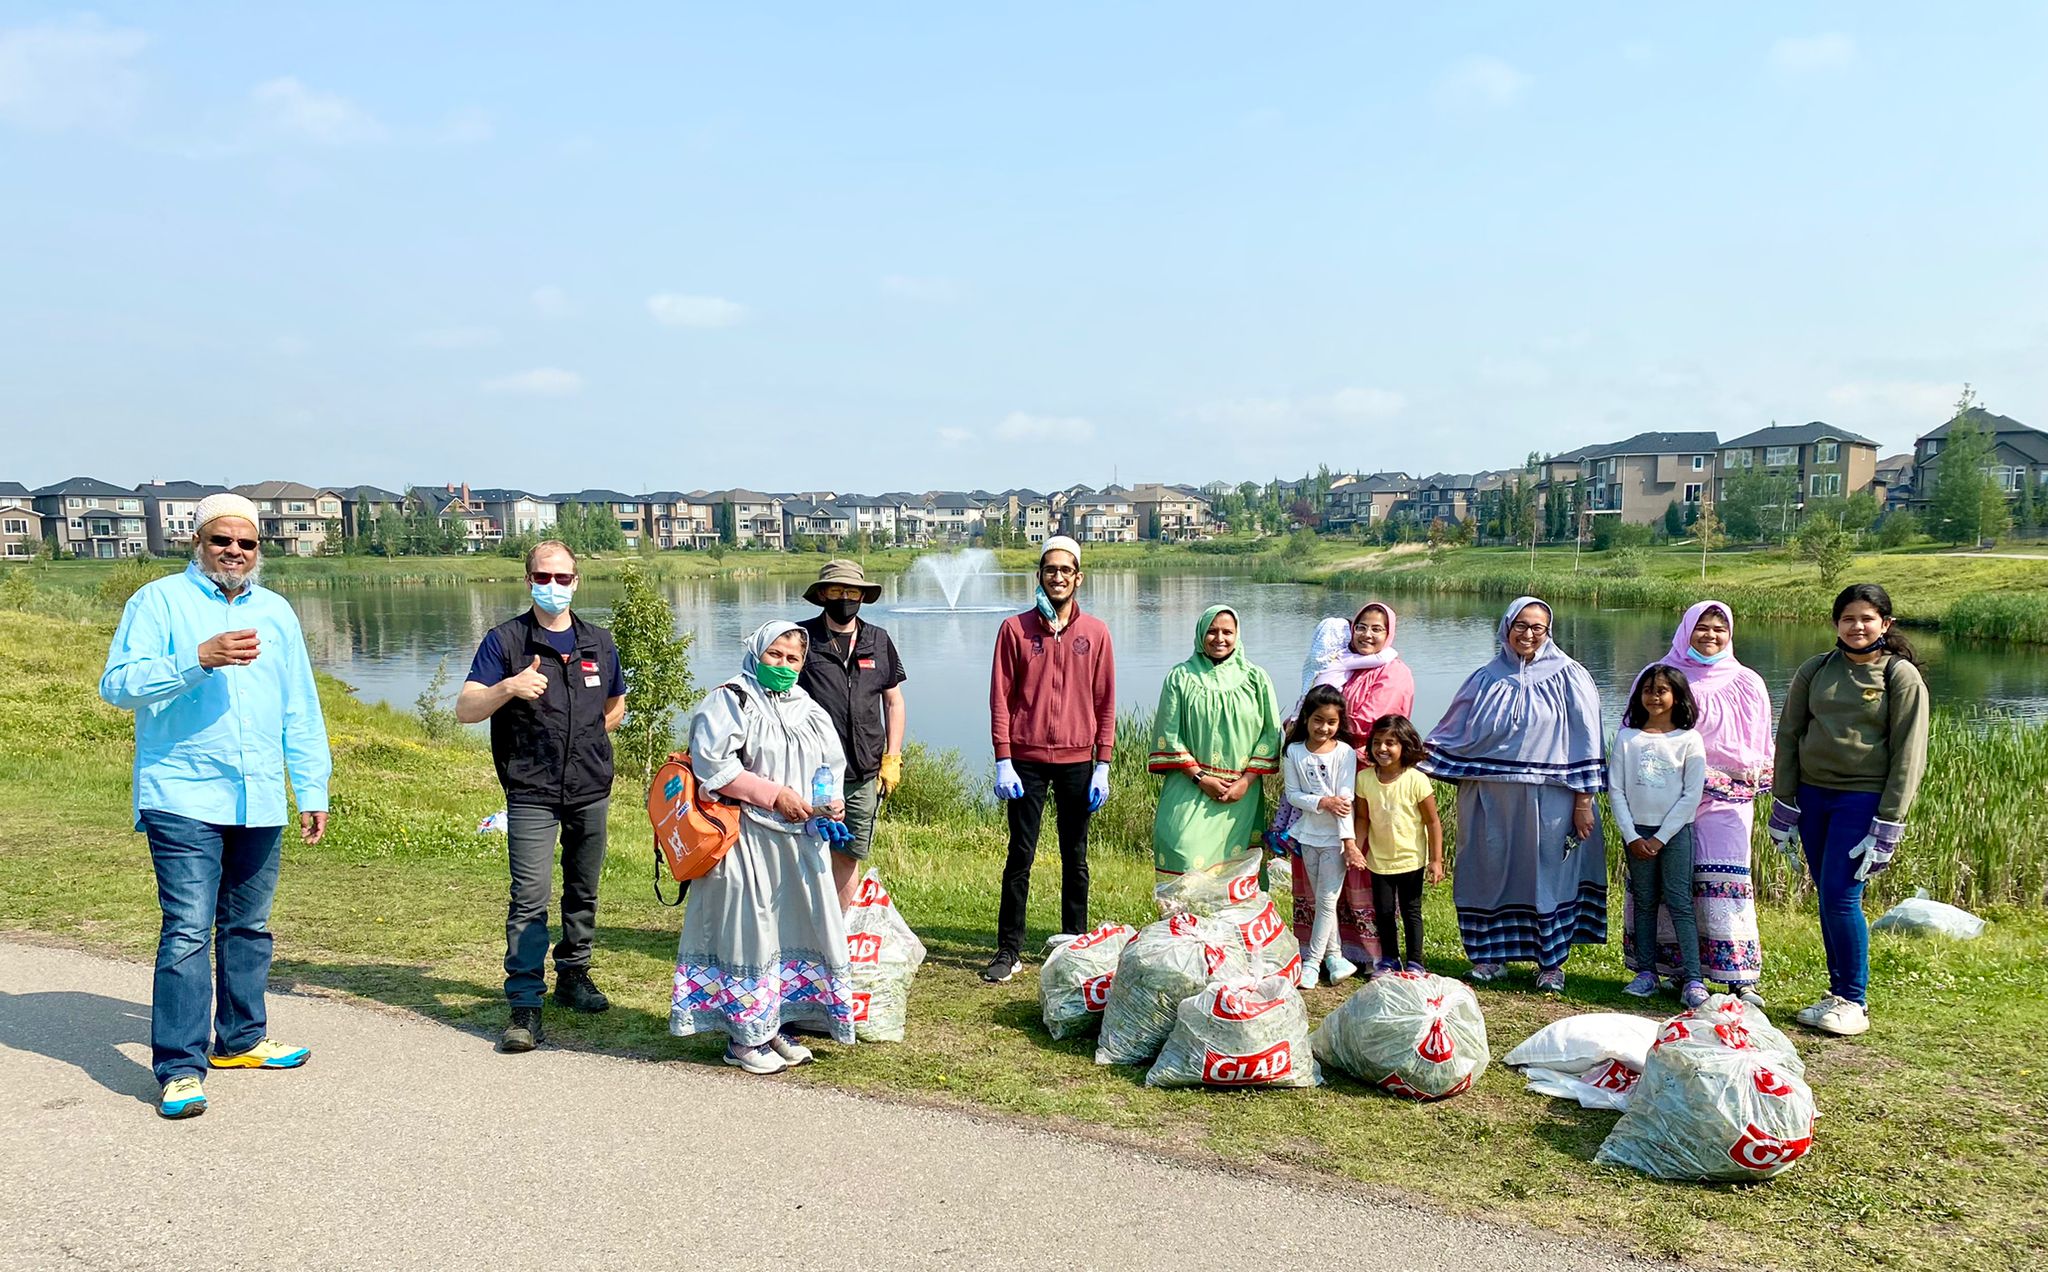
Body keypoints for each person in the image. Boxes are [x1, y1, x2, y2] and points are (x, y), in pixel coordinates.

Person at [98, 492, 332, 1119]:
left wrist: (310, 787)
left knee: (249, 926)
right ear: (196, 543)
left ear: (259, 550)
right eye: (221, 540)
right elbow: (118, 685)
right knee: (186, 932)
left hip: (259, 794)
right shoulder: (157, 602)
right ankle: (179, 1067)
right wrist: (196, 660)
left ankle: (242, 1038)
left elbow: (299, 705)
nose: (234, 552)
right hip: (182, 793)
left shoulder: (276, 612)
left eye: (247, 543)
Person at [456, 540, 627, 1054]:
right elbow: (466, 709)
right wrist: (507, 687)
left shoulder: (599, 641)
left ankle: (574, 977)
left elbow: (615, 703)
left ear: (577, 581)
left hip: (590, 787)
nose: (553, 586)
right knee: (529, 898)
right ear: (528, 580)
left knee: (583, 889)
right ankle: (525, 1004)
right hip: (531, 789)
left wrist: (593, 736)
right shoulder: (505, 641)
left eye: (563, 578)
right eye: (543, 577)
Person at [671, 621, 857, 1073]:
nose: (784, 665)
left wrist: (830, 804)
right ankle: (741, 1038)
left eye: (793, 658)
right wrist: (774, 795)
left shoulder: (807, 706)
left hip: (799, 841)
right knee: (750, 933)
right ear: (756, 652)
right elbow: (716, 766)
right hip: (746, 837)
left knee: (791, 932)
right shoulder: (731, 699)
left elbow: (830, 763)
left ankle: (775, 1025)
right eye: (775, 655)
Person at [1767, 583, 1929, 1038]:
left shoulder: (1899, 676)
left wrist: (1888, 822)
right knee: (1827, 895)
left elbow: (1909, 754)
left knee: (1841, 896)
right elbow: (1789, 735)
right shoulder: (1815, 669)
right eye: (1848, 619)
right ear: (1836, 623)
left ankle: (1854, 1001)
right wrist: (1785, 802)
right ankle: (1838, 994)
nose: (1857, 627)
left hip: (1862, 801)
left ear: (1886, 624)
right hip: (1815, 796)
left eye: (1867, 619)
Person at [1421, 596, 1606, 993]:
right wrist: (1404, 755)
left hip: (1550, 797)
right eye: (1520, 625)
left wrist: (1584, 800)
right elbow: (1453, 730)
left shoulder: (1571, 676)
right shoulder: (1485, 677)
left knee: (1547, 875)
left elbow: (1589, 738)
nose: (1528, 634)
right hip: (1489, 797)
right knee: (1488, 872)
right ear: (1506, 627)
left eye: (1537, 627)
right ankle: (1491, 956)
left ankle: (1551, 962)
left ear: (1548, 631)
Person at [984, 536, 1117, 983]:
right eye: (1049, 570)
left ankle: (1074, 942)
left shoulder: (1095, 633)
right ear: (1039, 575)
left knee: (1074, 855)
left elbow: (1105, 701)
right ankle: (1009, 949)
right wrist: (1003, 756)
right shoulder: (1015, 629)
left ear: (1078, 577)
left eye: (1066, 570)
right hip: (1025, 760)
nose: (1057, 577)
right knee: (1020, 854)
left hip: (1080, 761)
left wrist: (1104, 763)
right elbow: (1000, 699)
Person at [1630, 601, 1775, 1007]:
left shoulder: (1748, 682)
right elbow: (1636, 731)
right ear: (1686, 629)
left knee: (1725, 878)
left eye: (1719, 628)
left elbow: (1761, 743)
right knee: (1673, 883)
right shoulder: (1660, 676)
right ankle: (1674, 969)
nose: (1710, 635)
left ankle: (1737, 976)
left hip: (1727, 801)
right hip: (1665, 798)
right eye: (1702, 627)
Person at [797, 559, 908, 910]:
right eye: (835, 590)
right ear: (822, 595)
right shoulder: (801, 639)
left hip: (862, 773)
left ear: (862, 596)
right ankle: (804, 931)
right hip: (809, 772)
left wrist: (893, 757)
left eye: (851, 591)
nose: (844, 598)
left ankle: (842, 936)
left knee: (848, 854)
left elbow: (893, 702)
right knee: (804, 852)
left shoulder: (879, 640)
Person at [1148, 605, 1283, 880]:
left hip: (1240, 793)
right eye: (1212, 631)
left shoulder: (1256, 679)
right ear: (1200, 634)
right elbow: (1169, 734)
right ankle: (1181, 922)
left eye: (1227, 632)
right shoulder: (1181, 677)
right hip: (1190, 785)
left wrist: (1245, 782)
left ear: (1237, 635)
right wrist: (1201, 778)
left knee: (1234, 867)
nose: (1219, 638)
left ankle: (1226, 924)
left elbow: (1270, 734)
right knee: (1182, 852)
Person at [1609, 665, 1709, 1008]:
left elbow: (1690, 796)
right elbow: (1616, 791)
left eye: (1663, 690)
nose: (1654, 696)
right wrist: (1632, 835)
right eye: (1648, 689)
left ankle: (1693, 978)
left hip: (1675, 833)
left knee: (1680, 902)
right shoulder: (1627, 738)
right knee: (1645, 902)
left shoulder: (1689, 739)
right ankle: (1646, 972)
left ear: (1677, 695)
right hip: (1636, 833)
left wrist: (1662, 837)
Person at [1279, 685, 1360, 989]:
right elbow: (1293, 794)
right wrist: (1321, 802)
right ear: (1306, 719)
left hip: (1335, 839)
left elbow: (1345, 797)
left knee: (1327, 900)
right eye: (1317, 720)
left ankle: (1311, 961)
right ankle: (1335, 956)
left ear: (1340, 724)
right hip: (1307, 836)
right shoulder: (1294, 752)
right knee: (1319, 900)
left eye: (1331, 722)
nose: (1323, 728)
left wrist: (1348, 841)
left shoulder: (1345, 753)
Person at [1354, 714, 1443, 977]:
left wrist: (1436, 860)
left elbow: (1433, 822)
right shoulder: (1365, 779)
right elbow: (1362, 817)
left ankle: (1415, 963)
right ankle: (1389, 960)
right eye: (1377, 742)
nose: (1382, 748)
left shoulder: (1416, 780)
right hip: (1379, 860)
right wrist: (1357, 849)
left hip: (1411, 859)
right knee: (1383, 912)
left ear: (1404, 745)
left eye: (1390, 742)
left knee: (1411, 911)